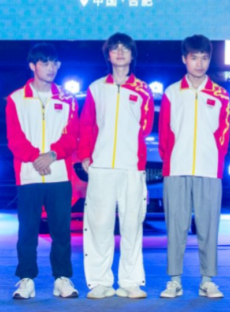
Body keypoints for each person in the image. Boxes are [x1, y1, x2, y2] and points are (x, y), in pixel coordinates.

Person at [77, 33, 154, 299]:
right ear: (108, 55)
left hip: (131, 168)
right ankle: (100, 281)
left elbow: (146, 127)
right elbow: (86, 124)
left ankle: (130, 282)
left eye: (125, 48)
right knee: (99, 225)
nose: (120, 52)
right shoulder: (96, 88)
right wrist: (85, 156)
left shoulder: (143, 90)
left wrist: (135, 157)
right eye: (115, 48)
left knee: (132, 224)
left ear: (132, 55)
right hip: (101, 167)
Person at [5, 43, 81, 300]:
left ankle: (62, 278)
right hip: (28, 175)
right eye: (44, 62)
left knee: (61, 230)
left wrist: (51, 155)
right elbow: (14, 138)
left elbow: (72, 137)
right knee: (27, 230)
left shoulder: (68, 99)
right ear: (32, 65)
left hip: (59, 175)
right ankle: (26, 279)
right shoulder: (16, 98)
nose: (50, 68)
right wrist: (35, 158)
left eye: (54, 63)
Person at [157, 35, 230, 299]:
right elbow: (164, 134)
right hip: (177, 169)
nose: (199, 63)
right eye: (194, 57)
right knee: (175, 226)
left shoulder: (220, 94)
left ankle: (207, 280)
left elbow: (223, 135)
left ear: (209, 60)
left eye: (204, 58)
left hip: (209, 170)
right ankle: (174, 280)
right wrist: (170, 162)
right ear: (184, 59)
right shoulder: (171, 92)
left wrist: (215, 162)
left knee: (208, 227)